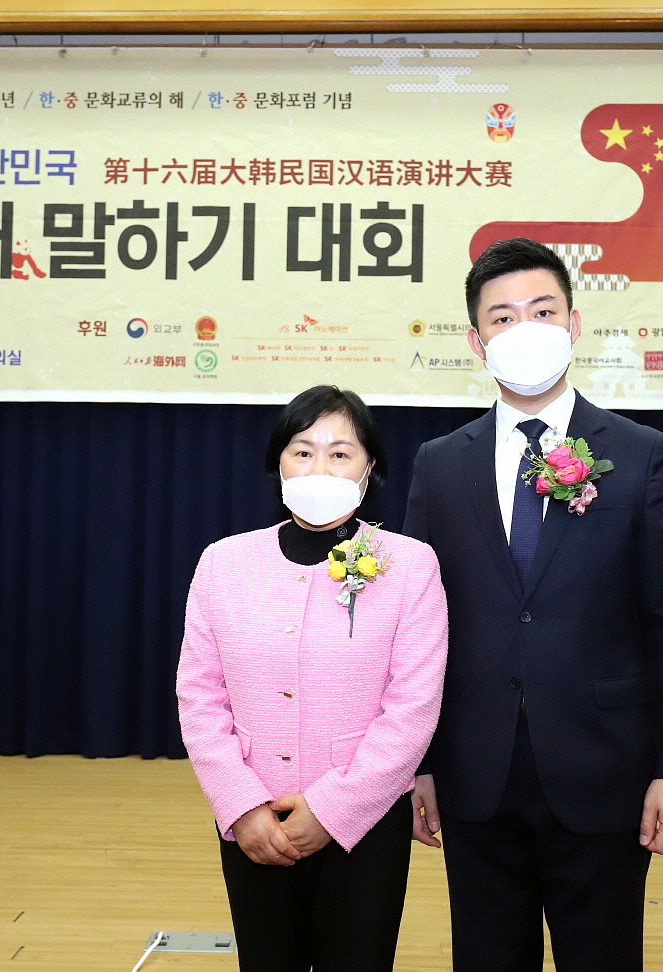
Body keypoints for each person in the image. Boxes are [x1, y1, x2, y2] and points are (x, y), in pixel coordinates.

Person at [402, 238, 663, 972]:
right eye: (503, 317)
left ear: (574, 324)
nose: (526, 329)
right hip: (474, 774)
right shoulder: (439, 464)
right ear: (476, 341)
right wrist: (417, 763)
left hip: (604, 770)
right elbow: (415, 629)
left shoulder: (639, 454)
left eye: (542, 311)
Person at [177, 385, 449, 972]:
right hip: (254, 820)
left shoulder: (410, 565)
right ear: (277, 463)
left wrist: (331, 811)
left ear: (369, 468)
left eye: (340, 453)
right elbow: (199, 695)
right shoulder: (223, 562)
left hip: (365, 820)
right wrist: (240, 805)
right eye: (302, 451)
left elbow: (413, 706)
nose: (319, 467)